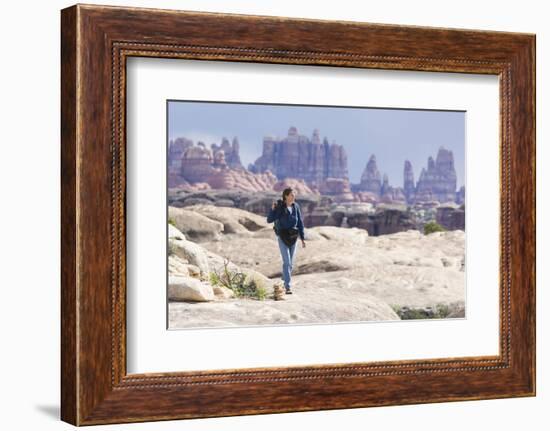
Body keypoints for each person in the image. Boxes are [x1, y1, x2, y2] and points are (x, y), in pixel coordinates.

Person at [266, 187, 306, 294]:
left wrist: (302, 238)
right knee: (287, 262)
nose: (294, 197)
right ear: (286, 196)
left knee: (290, 264)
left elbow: (300, 223)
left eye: (294, 195)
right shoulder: (280, 207)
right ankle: (287, 287)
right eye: (292, 195)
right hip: (283, 237)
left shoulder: (296, 206)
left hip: (293, 237)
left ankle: (283, 281)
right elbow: (269, 220)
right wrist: (273, 209)